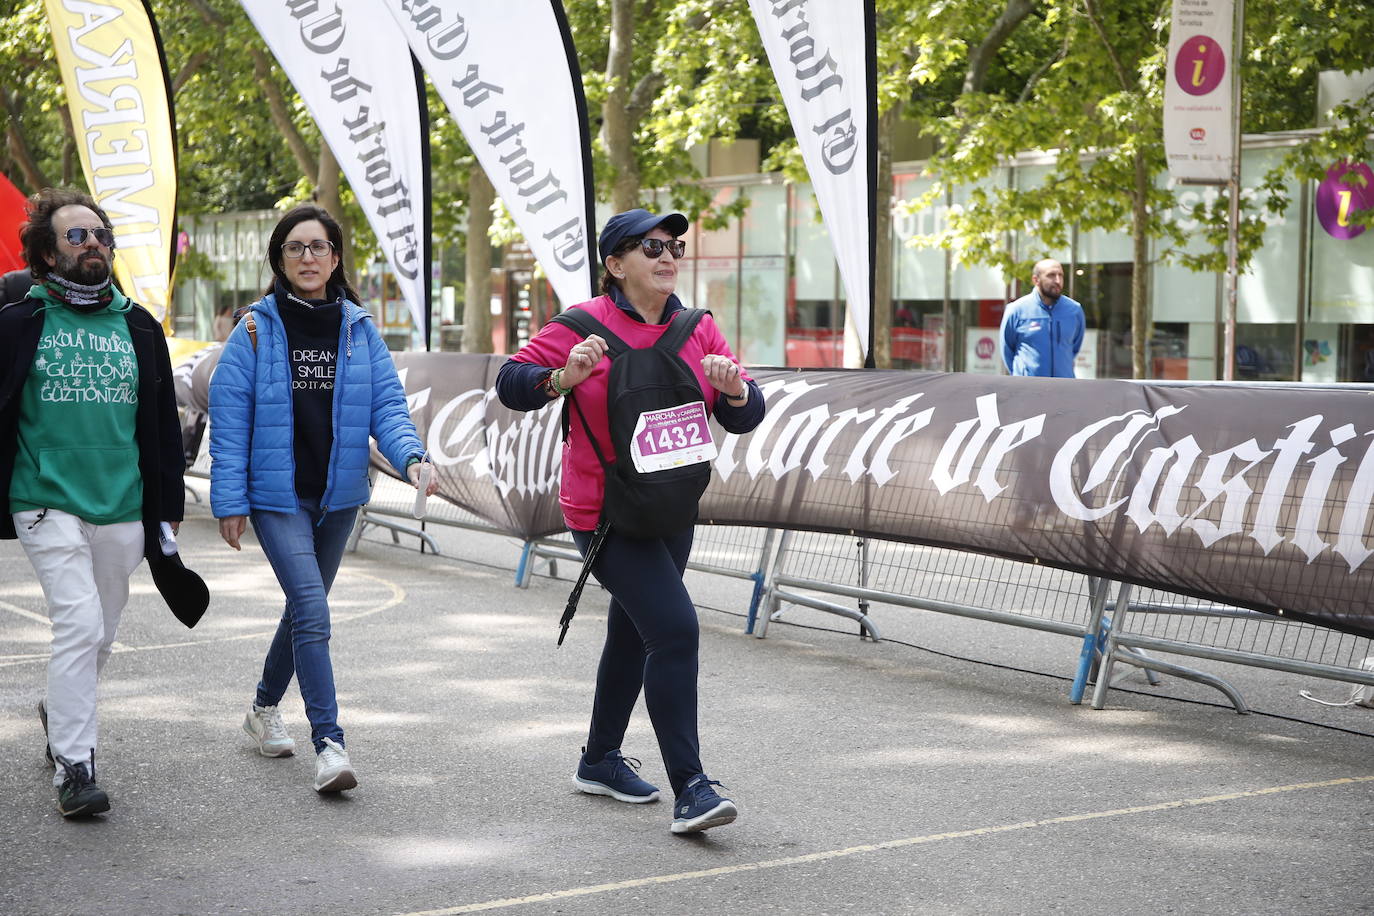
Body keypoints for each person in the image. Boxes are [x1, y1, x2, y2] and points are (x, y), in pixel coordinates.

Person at [495, 208, 765, 834]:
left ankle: (598, 761)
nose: (667, 256)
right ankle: (692, 788)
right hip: (604, 512)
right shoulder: (583, 325)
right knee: (674, 631)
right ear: (616, 265)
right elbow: (511, 382)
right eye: (650, 247)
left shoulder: (699, 329)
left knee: (632, 628)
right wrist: (563, 377)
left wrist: (734, 391)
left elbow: (746, 414)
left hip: (672, 504)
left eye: (673, 246)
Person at [208, 204, 436, 794]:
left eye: (319, 247)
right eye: (296, 248)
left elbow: (387, 406)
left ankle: (261, 710)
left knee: (302, 610)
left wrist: (412, 457)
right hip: (277, 496)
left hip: (338, 497)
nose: (309, 257)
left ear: (335, 257)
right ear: (280, 261)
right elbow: (231, 424)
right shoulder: (254, 330)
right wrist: (229, 500)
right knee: (312, 608)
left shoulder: (359, 330)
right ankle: (330, 744)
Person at [0, 188, 184, 817]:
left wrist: (167, 506)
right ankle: (74, 767)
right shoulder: (18, 319)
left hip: (123, 506)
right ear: (47, 254)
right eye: (77, 236)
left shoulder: (137, 324)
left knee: (99, 633)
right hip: (44, 498)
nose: (95, 244)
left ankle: (60, 707)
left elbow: (159, 424)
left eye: (101, 233)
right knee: (78, 623)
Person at [1000, 258, 1085, 377]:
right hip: (1028, 390)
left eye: (1061, 275)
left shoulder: (1074, 310)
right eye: (1051, 275)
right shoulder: (1016, 310)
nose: (1058, 280)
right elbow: (1007, 350)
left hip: (1064, 388)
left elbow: (1074, 347)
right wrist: (1022, 375)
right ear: (1036, 280)